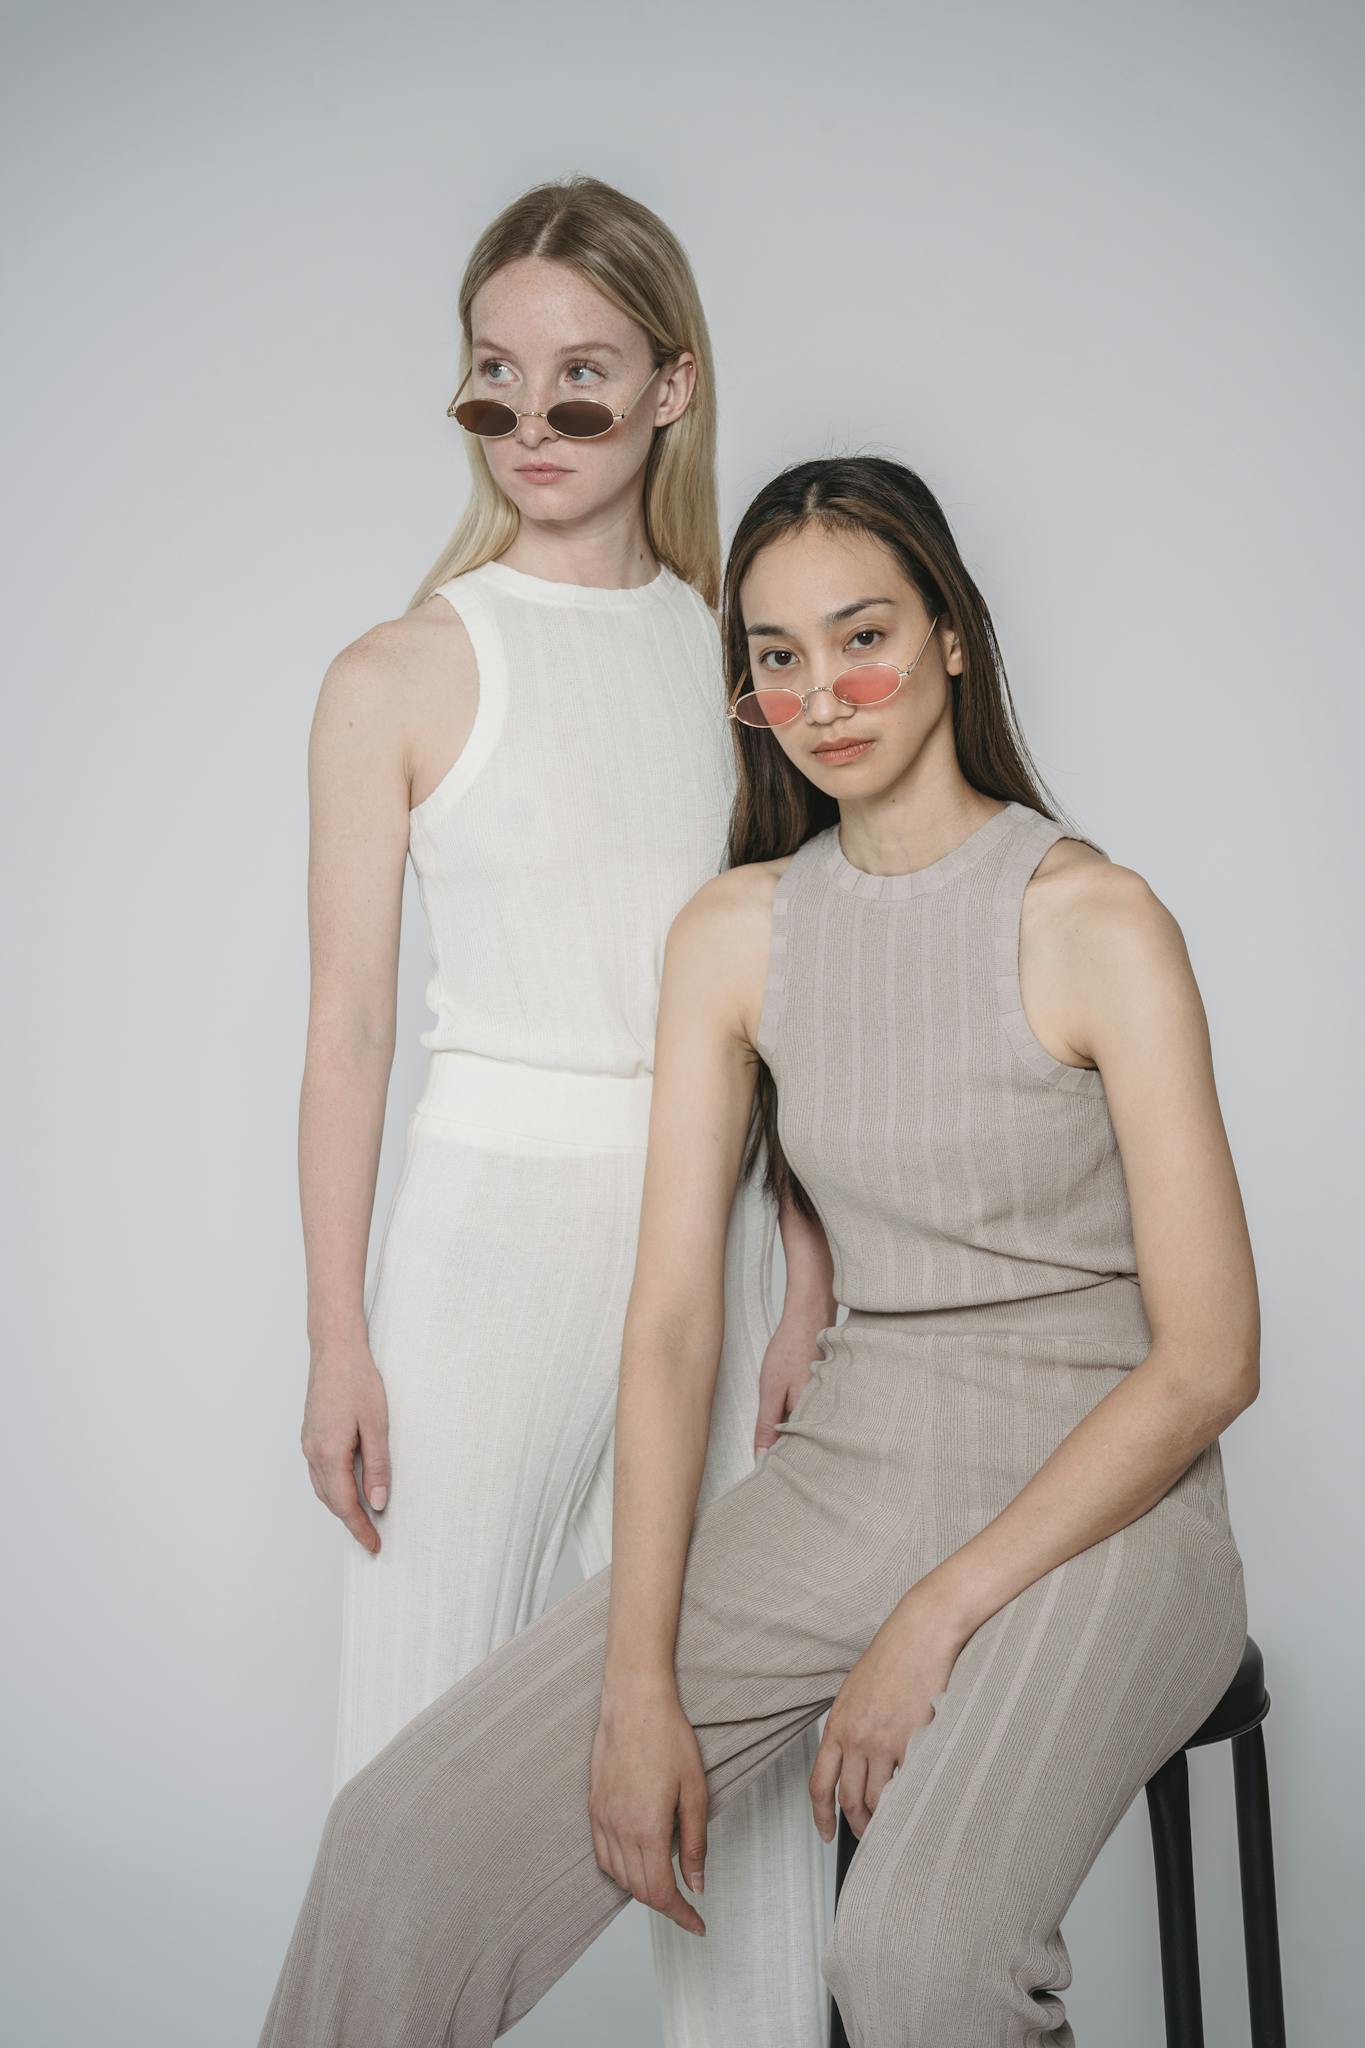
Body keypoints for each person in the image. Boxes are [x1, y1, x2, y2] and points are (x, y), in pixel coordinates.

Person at [262, 454, 1258, 2048]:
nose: (822, 696)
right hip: (849, 1479)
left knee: (916, 1958)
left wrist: (932, 1614)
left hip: (1112, 1508)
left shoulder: (1095, 922)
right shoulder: (735, 935)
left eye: (863, 637)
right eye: (777, 658)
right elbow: (669, 1330)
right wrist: (637, 1683)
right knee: (401, 1847)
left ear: (950, 636)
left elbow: (1207, 1362)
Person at [296, 174, 830, 2045]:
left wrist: (804, 1272)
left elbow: (791, 994)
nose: (533, 420)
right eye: (495, 376)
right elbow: (350, 1026)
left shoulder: (737, 663)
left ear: (671, 386)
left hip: (708, 1228)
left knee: (734, 1752)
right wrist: (339, 1337)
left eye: (583, 376)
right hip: (490, 1242)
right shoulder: (400, 671)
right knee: (415, 1758)